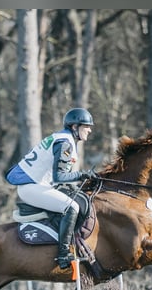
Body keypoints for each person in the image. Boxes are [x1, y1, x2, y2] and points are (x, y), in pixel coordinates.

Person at [6, 107, 97, 269]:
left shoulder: (62, 138)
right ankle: (63, 254)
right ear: (75, 127)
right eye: (86, 126)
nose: (89, 130)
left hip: (35, 185)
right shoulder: (65, 144)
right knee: (72, 207)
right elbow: (59, 177)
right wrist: (83, 175)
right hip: (30, 188)